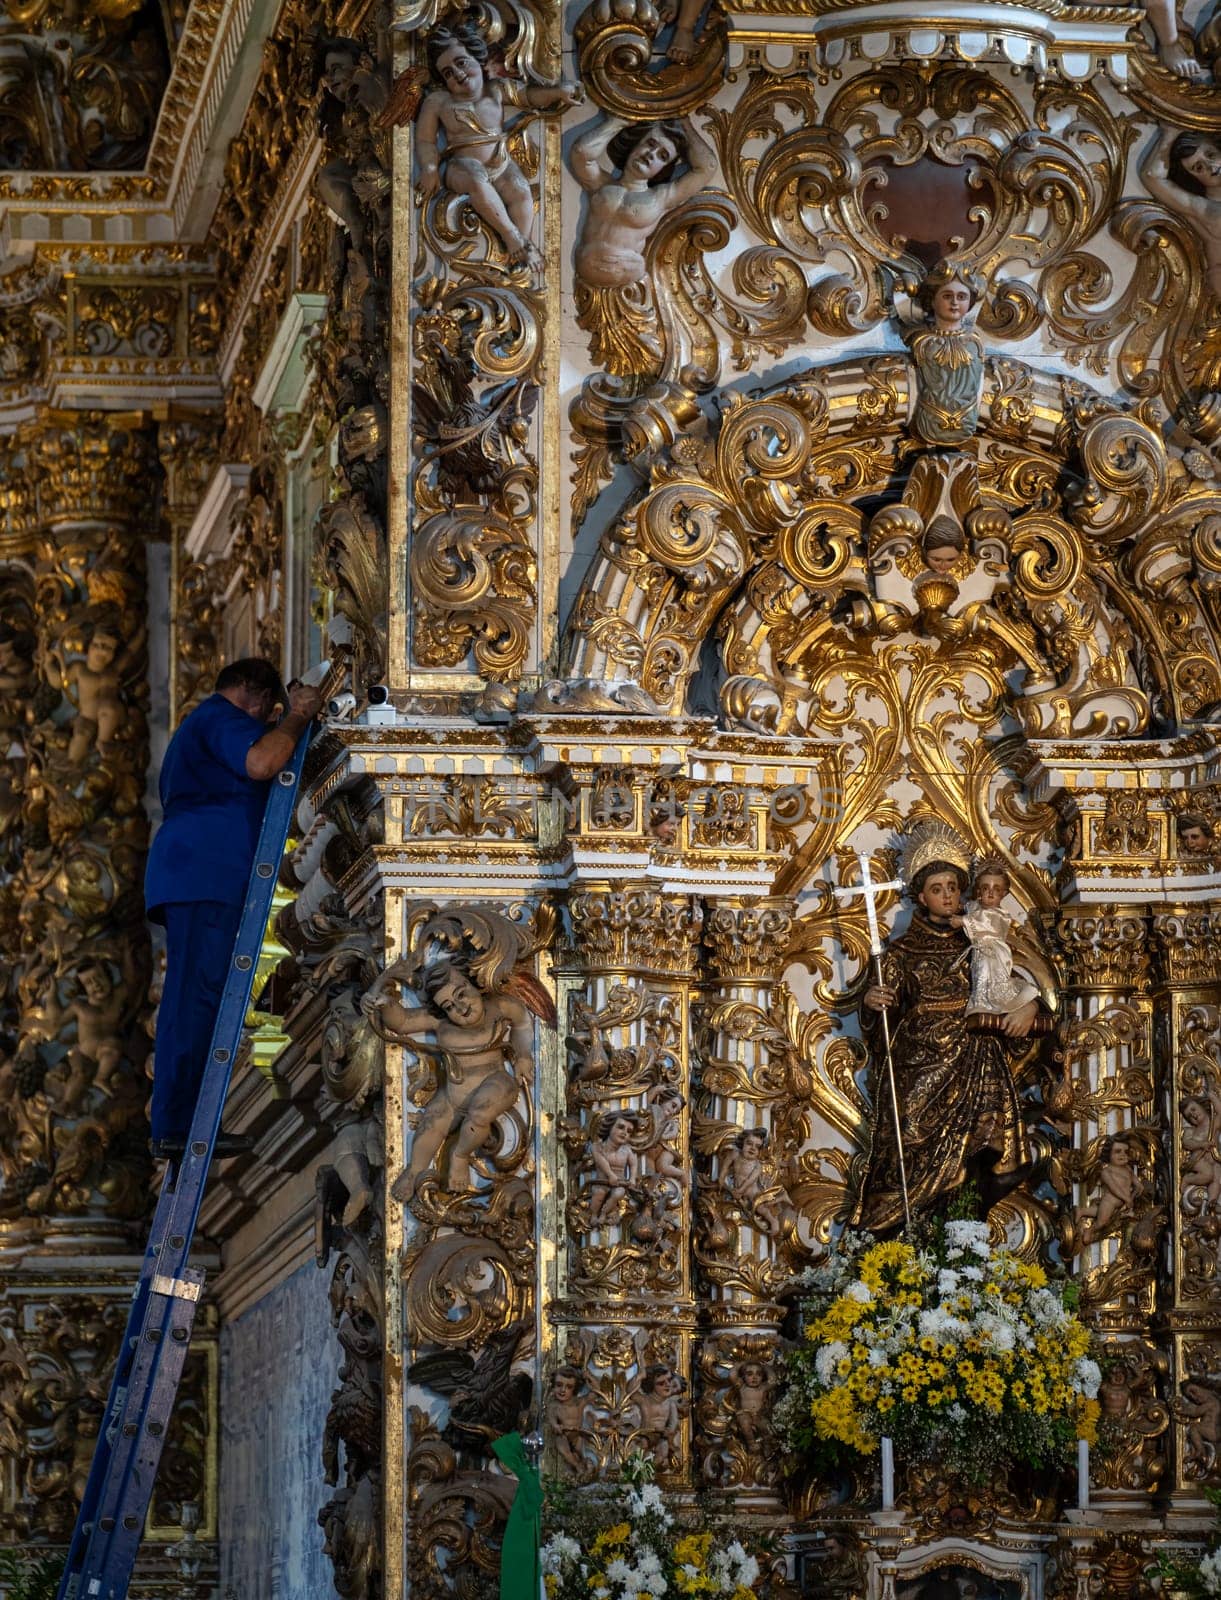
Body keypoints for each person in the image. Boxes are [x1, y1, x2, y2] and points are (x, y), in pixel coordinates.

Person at [144, 659, 321, 1157]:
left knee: (195, 996)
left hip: (197, 870)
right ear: (252, 692)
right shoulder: (220, 718)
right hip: (205, 871)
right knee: (195, 999)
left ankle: (177, 1122)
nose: (268, 717)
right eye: (268, 707)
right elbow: (262, 763)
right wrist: (297, 717)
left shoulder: (200, 727)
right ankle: (178, 1125)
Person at [854, 822, 1052, 1233]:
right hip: (918, 1069)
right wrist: (873, 1006)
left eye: (953, 886)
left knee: (977, 1156)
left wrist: (1030, 1005)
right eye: (937, 889)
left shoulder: (981, 942)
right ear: (920, 896)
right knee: (906, 1139)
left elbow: (1011, 986)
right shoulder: (901, 952)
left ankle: (962, 1239)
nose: (948, 896)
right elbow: (881, 1024)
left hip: (975, 1060)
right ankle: (897, 1242)